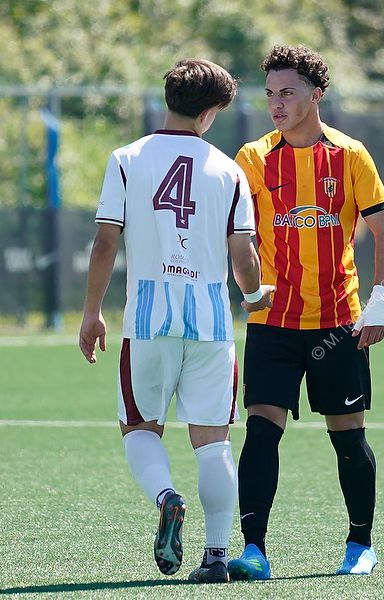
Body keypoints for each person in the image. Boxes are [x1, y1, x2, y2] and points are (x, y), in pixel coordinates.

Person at [79, 58, 273, 584]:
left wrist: (92, 312)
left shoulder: (127, 159)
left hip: (148, 319)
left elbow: (104, 243)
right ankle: (216, 557)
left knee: (139, 428)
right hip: (210, 322)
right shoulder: (229, 170)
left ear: (168, 99)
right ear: (210, 113)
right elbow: (244, 255)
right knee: (213, 442)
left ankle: (167, 497)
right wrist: (254, 296)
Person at [226, 44, 384, 579]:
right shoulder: (253, 158)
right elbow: (237, 236)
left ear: (316, 93)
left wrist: (380, 299)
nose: (276, 104)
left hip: (338, 321)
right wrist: (248, 288)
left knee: (348, 435)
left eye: (288, 92)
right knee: (261, 430)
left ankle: (360, 544)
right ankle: (254, 550)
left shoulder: (350, 155)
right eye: (270, 94)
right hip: (272, 321)